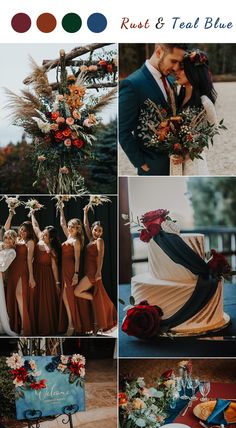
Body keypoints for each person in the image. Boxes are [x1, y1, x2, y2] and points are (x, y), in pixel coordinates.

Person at [119, 43, 188, 175]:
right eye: (173, 61)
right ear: (159, 52)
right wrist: (140, 162)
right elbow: (123, 131)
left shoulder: (171, 81)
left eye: (179, 63)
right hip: (152, 167)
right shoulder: (133, 84)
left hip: (177, 165)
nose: (175, 67)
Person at [74, 205, 117, 333]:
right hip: (88, 271)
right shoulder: (91, 239)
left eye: (99, 231)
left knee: (77, 292)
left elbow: (101, 256)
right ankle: (96, 300)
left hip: (93, 273)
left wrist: (99, 271)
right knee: (78, 292)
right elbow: (86, 226)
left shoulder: (99, 240)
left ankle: (96, 299)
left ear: (102, 233)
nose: (97, 232)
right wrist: (85, 212)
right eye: (95, 230)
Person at [175, 49, 218, 175]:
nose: (177, 72)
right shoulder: (179, 96)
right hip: (176, 160)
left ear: (193, 71)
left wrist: (188, 155)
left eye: (182, 69)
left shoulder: (204, 101)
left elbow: (213, 129)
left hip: (194, 162)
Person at [58, 205, 93, 335]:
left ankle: (72, 325)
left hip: (71, 270)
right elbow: (62, 223)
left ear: (77, 229)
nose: (70, 228)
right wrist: (61, 208)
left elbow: (77, 259)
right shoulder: (69, 237)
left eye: (73, 226)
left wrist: (76, 275)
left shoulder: (76, 240)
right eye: (70, 226)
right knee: (65, 297)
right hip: (64, 269)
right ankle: (71, 323)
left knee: (67, 297)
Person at [4, 210, 35, 335]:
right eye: (21, 229)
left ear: (29, 232)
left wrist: (31, 277)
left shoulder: (30, 242)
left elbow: (29, 260)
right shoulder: (16, 239)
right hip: (12, 270)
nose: (22, 232)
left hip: (23, 270)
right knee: (12, 296)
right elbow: (6, 229)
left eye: (24, 230)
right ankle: (14, 325)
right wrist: (11, 214)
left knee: (19, 295)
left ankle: (24, 326)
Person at [31, 212, 61, 335]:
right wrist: (32, 213)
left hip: (47, 276)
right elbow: (35, 226)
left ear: (51, 238)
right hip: (36, 273)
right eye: (43, 233)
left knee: (46, 301)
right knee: (35, 299)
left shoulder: (52, 250)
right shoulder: (39, 240)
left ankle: (46, 327)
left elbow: (54, 267)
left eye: (46, 234)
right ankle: (36, 327)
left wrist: (57, 283)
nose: (43, 234)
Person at [0, 230, 18, 336]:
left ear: (14, 241)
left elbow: (3, 267)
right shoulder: (1, 247)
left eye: (10, 238)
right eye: (6, 237)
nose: (7, 240)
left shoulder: (12, 252)